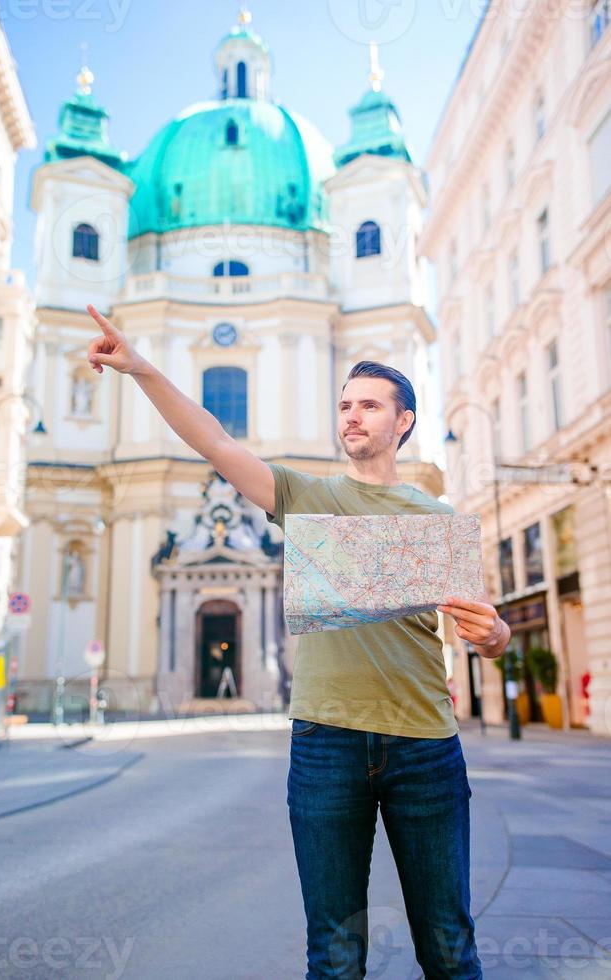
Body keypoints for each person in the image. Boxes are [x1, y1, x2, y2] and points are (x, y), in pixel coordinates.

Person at [86, 304, 510, 978]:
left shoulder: (437, 517)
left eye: (370, 405)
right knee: (334, 953)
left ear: (403, 422)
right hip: (326, 744)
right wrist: (141, 369)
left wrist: (496, 635)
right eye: (346, 404)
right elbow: (217, 444)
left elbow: (479, 627)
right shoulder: (307, 496)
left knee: (449, 946)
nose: (353, 415)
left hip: (425, 746)